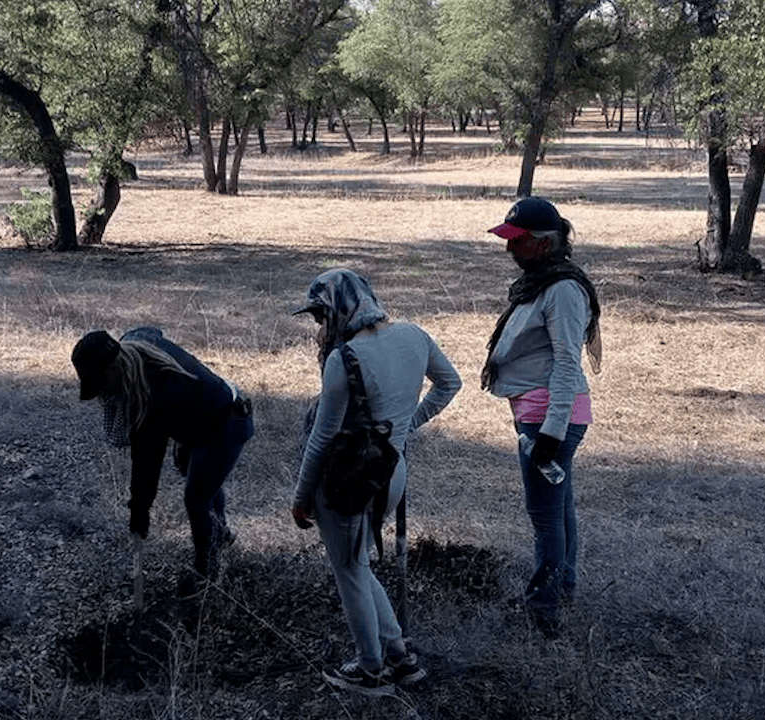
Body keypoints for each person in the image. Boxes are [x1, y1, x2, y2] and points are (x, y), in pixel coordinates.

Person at [291, 269, 461, 694]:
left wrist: (300, 497)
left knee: (349, 573)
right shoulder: (414, 336)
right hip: (392, 471)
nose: (318, 327)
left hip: (345, 479)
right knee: (359, 566)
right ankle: (399, 656)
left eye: (319, 317)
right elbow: (449, 384)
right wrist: (403, 430)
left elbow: (321, 440)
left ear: (336, 310)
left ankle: (370, 669)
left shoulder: (343, 358)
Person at [482, 196, 601, 638]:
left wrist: (550, 431)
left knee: (546, 517)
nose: (509, 248)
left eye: (517, 241)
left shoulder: (563, 290)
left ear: (543, 243)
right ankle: (561, 590)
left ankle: (543, 609)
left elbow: (569, 362)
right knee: (560, 510)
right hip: (543, 412)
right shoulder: (542, 283)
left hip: (550, 417)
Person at [72, 326, 254, 587]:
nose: (101, 394)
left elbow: (147, 460)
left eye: (100, 385)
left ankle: (208, 573)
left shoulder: (155, 392)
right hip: (207, 417)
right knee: (202, 484)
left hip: (227, 424)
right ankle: (220, 535)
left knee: (197, 499)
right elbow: (151, 329)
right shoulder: (133, 344)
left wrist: (139, 509)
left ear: (113, 370)